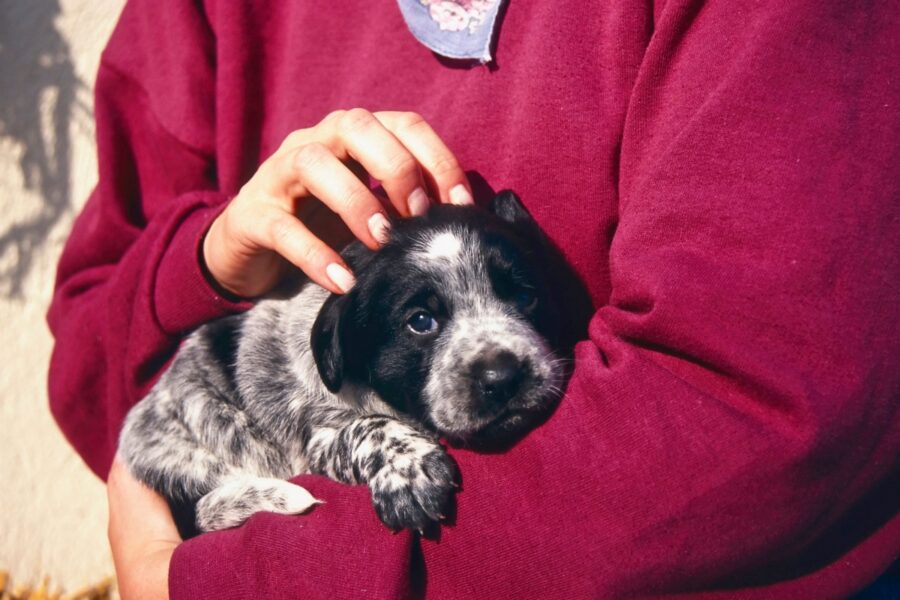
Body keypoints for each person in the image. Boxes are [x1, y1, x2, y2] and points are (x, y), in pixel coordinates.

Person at [48, 1, 899, 599]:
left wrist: (214, 584)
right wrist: (212, 262)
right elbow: (95, 370)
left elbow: (759, 420)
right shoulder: (199, 13)